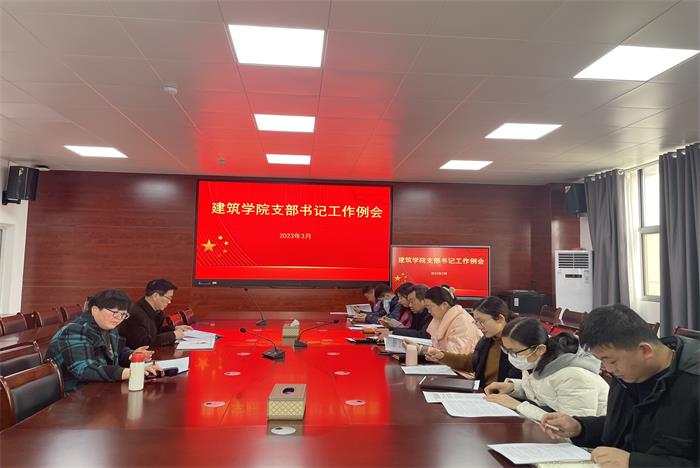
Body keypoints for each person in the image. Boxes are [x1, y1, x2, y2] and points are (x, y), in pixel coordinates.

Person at [540, 304, 699, 468]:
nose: (608, 369)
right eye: (602, 361)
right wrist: (580, 427)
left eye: (611, 361)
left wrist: (633, 462)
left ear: (645, 350)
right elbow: (622, 427)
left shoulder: (692, 382)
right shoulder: (626, 374)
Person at [483, 317, 608, 421]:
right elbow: (544, 391)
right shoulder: (536, 360)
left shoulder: (574, 376)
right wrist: (512, 387)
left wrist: (518, 406)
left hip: (593, 441)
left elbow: (572, 425)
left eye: (514, 351)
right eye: (507, 351)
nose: (511, 356)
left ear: (540, 349)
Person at [45, 289, 161, 394]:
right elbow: (84, 369)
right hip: (74, 395)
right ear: (95, 309)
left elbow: (118, 351)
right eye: (114, 312)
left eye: (123, 315)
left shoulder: (108, 327)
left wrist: (132, 355)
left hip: (98, 389)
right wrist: (131, 372)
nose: (118, 318)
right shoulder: (75, 330)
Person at [426, 296, 520, 388]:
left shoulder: (518, 343)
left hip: (501, 394)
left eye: (482, 321)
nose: (478, 327)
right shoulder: (488, 340)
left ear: (500, 319)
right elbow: (472, 362)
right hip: (483, 391)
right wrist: (443, 356)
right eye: (476, 322)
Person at [407, 286, 482, 354]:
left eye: (430, 307)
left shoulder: (462, 323)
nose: (429, 312)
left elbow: (454, 356)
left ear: (444, 305)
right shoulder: (442, 317)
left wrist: (422, 349)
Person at [119, 278, 191, 348]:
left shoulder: (156, 311)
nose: (169, 302)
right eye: (168, 298)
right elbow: (143, 343)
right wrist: (173, 335)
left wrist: (174, 329)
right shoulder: (135, 314)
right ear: (155, 296)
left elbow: (154, 332)